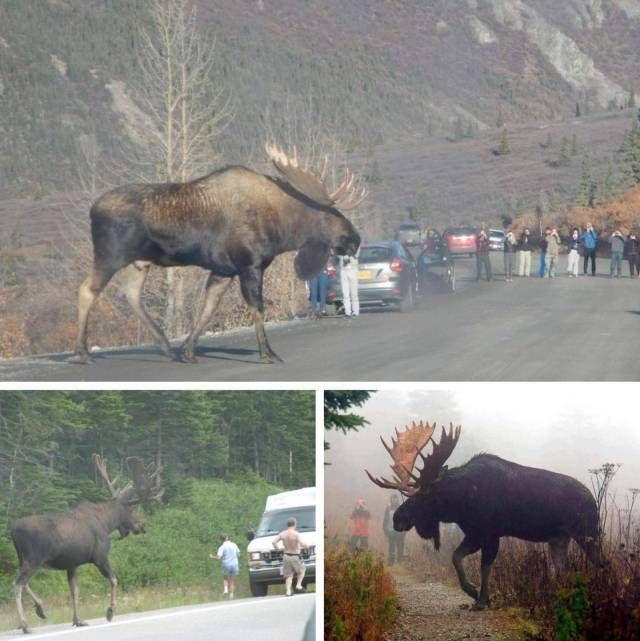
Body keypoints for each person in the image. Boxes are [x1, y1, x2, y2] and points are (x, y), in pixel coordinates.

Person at [272, 517, 309, 597]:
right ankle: (298, 585)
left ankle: (288, 591)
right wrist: (306, 546)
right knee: (302, 570)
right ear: (295, 524)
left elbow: (273, 542)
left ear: (287, 525)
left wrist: (277, 549)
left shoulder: (282, 534)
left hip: (286, 556)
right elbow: (302, 544)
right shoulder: (296, 534)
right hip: (295, 556)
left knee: (288, 575)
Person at [210, 534, 240, 599]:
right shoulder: (234, 544)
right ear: (227, 538)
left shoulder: (222, 547)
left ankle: (226, 590)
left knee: (225, 578)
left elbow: (218, 558)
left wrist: (212, 557)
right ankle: (231, 595)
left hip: (226, 564)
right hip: (235, 564)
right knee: (232, 581)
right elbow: (238, 554)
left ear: (221, 540)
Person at [383, 495, 406, 565]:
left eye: (395, 499)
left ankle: (400, 562)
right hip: (391, 531)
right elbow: (385, 520)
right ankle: (391, 562)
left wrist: (404, 530)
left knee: (400, 548)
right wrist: (385, 530)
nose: (394, 500)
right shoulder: (388, 508)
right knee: (391, 547)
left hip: (400, 531)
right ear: (391, 499)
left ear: (397, 499)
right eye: (393, 498)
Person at [338, 250, 360, 317]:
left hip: (353, 269)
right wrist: (343, 254)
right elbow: (338, 254)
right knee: (345, 293)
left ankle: (355, 311)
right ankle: (347, 312)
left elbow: (356, 254)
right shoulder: (341, 244)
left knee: (354, 293)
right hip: (343, 270)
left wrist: (350, 253)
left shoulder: (355, 242)